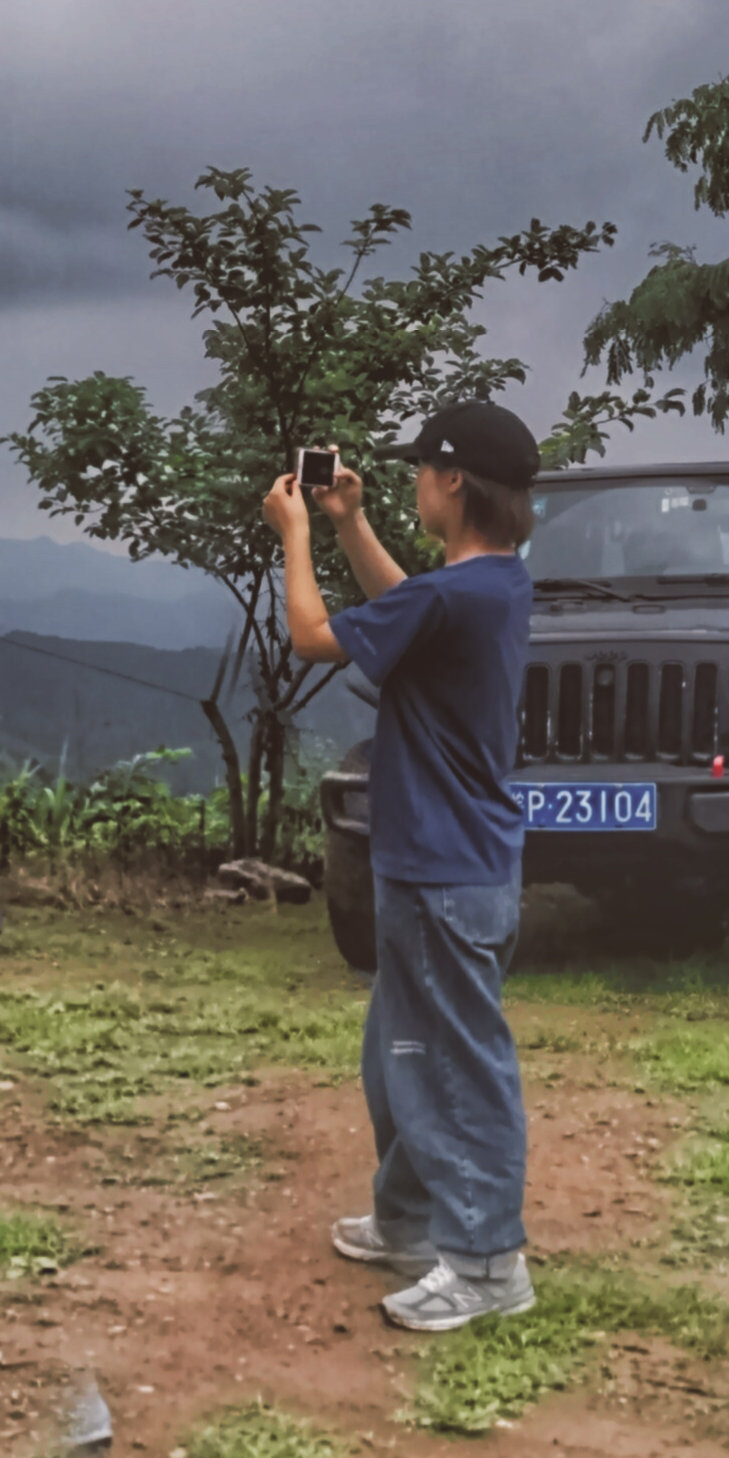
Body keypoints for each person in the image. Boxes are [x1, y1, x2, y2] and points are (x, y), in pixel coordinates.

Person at [279, 397, 545, 1335]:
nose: (412, 484)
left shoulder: (457, 595)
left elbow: (314, 636)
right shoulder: (487, 586)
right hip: (440, 859)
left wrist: (298, 533)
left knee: (451, 1067)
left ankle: (484, 1263)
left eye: (420, 471)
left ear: (454, 481)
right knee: (398, 1056)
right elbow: (402, 609)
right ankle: (410, 1222)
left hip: (441, 865)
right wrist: (353, 522)